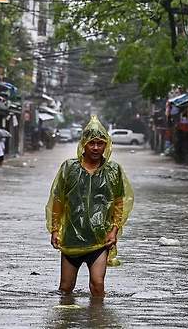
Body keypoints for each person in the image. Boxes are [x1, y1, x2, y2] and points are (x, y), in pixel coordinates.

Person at [46, 116, 134, 298]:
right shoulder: (69, 168)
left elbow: (119, 202)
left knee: (97, 285)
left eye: (100, 143)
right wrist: (55, 230)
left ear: (106, 145)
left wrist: (114, 230)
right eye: (91, 143)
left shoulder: (113, 171)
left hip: (100, 239)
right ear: (83, 144)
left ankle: (98, 320)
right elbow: (58, 200)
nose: (95, 148)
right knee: (65, 288)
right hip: (71, 238)